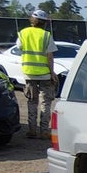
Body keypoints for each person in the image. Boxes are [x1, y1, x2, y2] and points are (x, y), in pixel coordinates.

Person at [17, 9, 58, 139]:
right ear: (44, 22)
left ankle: (32, 130)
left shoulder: (23, 33)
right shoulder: (46, 35)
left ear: (32, 20)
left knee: (32, 102)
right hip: (45, 74)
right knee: (45, 103)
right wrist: (52, 73)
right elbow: (50, 57)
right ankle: (44, 131)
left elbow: (19, 47)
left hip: (29, 74)